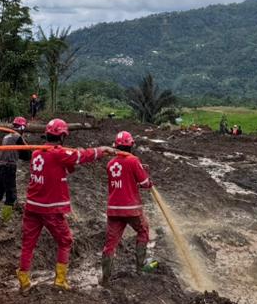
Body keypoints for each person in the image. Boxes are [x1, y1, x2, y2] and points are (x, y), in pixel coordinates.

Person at [16, 117, 108, 293]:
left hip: (32, 206)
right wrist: (101, 150)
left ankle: (24, 279)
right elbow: (82, 156)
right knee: (65, 241)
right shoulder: (58, 154)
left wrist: (71, 157)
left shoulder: (37, 152)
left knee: (28, 243)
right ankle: (60, 280)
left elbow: (67, 165)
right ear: (63, 136)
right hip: (50, 208)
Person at [102, 131, 154, 286]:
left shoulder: (110, 164)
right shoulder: (133, 160)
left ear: (116, 146)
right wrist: (147, 180)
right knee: (143, 230)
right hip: (131, 209)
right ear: (131, 145)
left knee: (110, 243)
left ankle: (105, 279)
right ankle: (140, 267)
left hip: (114, 209)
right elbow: (145, 183)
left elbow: (124, 181)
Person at [0, 116, 29, 223]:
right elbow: (27, 155)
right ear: (22, 127)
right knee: (11, 196)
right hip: (9, 168)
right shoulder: (18, 137)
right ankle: (5, 220)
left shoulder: (6, 137)